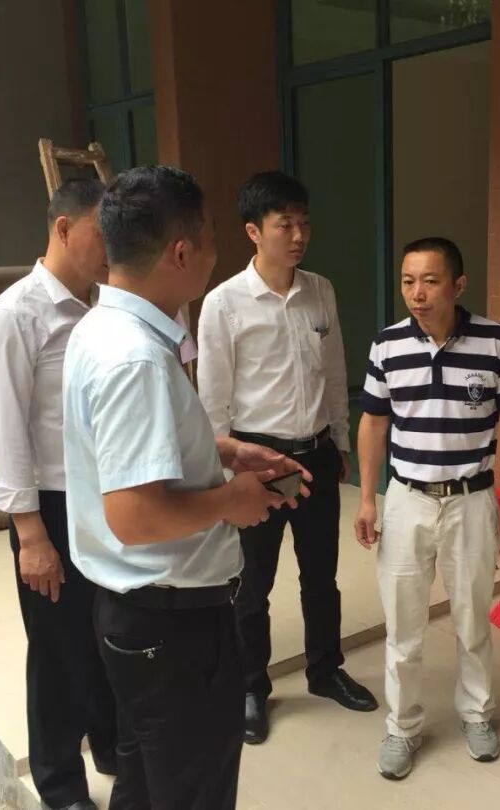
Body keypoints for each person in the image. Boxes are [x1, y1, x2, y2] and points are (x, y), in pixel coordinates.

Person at [62, 165, 310, 810]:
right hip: (170, 625)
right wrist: (232, 500)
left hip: (138, 615)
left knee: (146, 778)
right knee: (192, 787)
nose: (213, 253)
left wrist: (221, 450)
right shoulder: (135, 359)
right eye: (210, 238)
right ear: (180, 252)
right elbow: (136, 516)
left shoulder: (101, 328)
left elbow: (126, 452)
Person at [197, 171, 378, 744]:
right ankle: (252, 687)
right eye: (285, 225)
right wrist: (224, 474)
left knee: (321, 574)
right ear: (254, 231)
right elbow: (212, 397)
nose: (299, 235)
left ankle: (325, 670)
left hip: (317, 454)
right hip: (258, 461)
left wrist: (340, 441)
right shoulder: (224, 303)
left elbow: (334, 372)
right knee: (253, 583)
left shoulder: (320, 290)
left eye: (304, 223)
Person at [354, 236, 500, 779]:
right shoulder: (387, 346)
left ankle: (476, 714)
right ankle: (402, 727)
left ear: (458, 284)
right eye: (408, 281)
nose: (417, 293)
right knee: (403, 626)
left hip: (472, 501)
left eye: (430, 281)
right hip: (406, 500)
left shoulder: (496, 341)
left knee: (472, 619)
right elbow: (373, 423)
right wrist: (366, 499)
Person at [0, 178, 116, 810]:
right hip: (51, 508)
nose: (112, 247)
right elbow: (4, 434)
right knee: (59, 649)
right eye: (102, 233)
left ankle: (112, 745)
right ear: (63, 228)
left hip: (108, 498)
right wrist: (30, 535)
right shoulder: (15, 317)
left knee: (112, 630)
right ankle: (60, 783)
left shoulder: (105, 306)